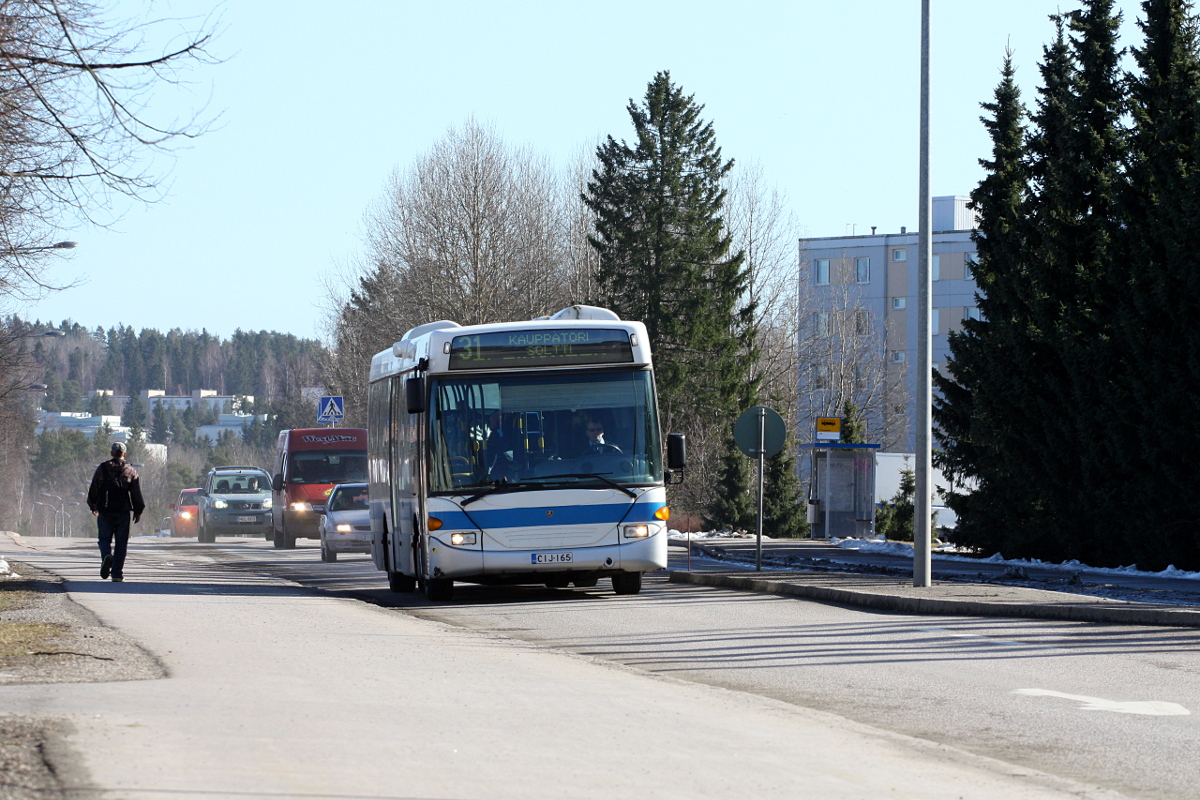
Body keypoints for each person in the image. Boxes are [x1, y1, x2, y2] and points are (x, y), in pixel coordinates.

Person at [86, 442, 145, 583]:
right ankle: (117, 574)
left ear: (112, 453)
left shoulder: (102, 468)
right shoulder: (130, 470)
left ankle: (107, 555)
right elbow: (136, 493)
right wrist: (138, 511)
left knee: (104, 539)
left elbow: (94, 487)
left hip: (105, 510)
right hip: (123, 512)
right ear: (124, 454)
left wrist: (93, 505)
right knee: (121, 543)